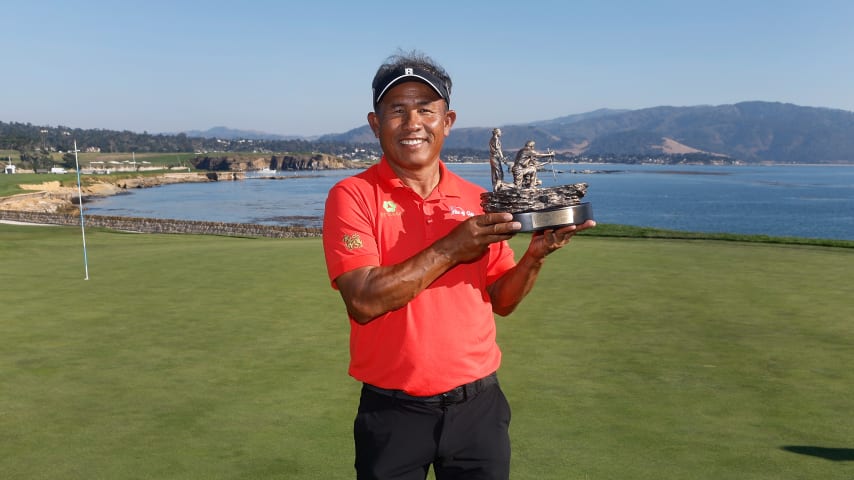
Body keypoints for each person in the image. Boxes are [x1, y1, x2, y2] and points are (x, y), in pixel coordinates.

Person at [322, 51, 596, 480]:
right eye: (397, 110)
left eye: (426, 110)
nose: (413, 122)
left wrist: (535, 257)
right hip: (394, 412)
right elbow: (363, 301)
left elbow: (501, 300)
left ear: (446, 122)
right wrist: (451, 248)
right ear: (376, 124)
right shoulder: (352, 196)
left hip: (479, 410)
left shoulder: (475, 199)